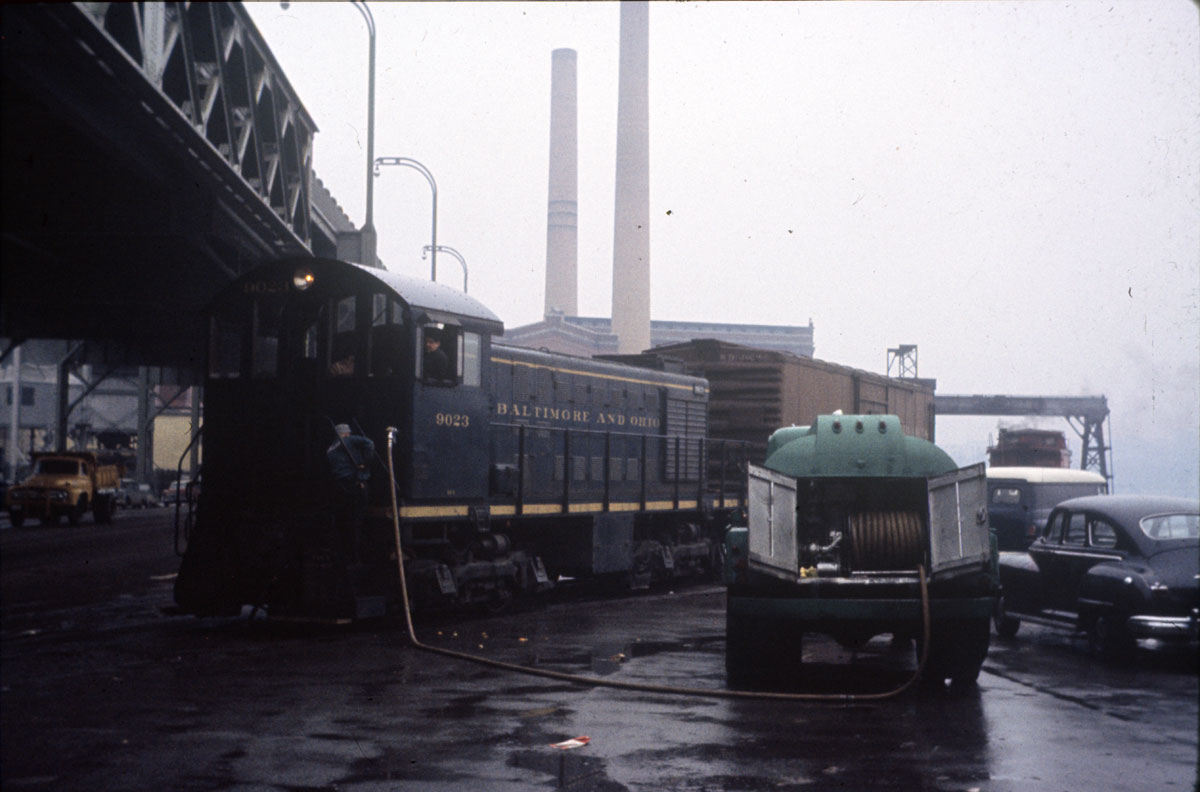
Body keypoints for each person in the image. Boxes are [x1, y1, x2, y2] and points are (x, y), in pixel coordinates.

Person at [326, 423, 375, 562]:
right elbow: (369, 443)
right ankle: (357, 555)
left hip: (340, 485)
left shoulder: (331, 448)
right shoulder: (348, 440)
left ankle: (345, 553)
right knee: (357, 520)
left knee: (345, 520)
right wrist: (366, 462)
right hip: (355, 483)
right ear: (346, 433)